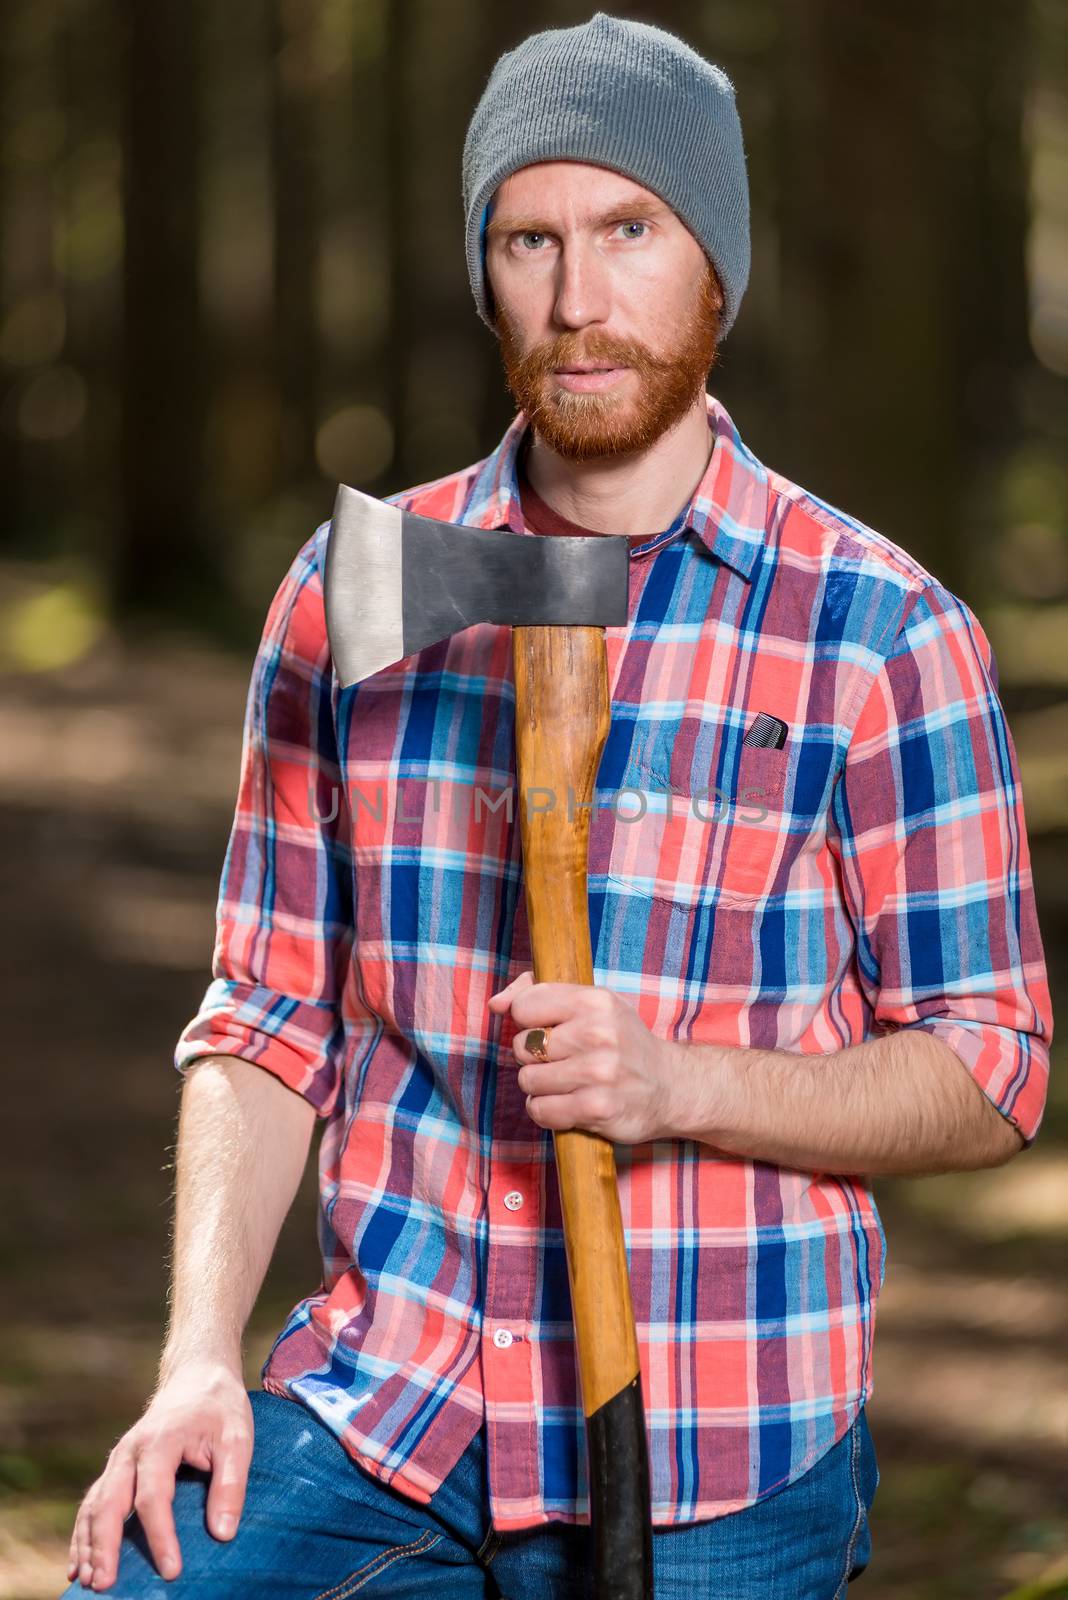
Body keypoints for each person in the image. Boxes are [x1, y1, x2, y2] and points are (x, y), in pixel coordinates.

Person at [64, 12, 1052, 1599]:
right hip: (392, 1400)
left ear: (715, 266)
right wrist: (195, 1361)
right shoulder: (352, 592)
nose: (581, 301)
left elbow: (994, 1067)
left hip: (720, 1437)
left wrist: (675, 1085)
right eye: (531, 237)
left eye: (630, 231)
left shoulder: (881, 630)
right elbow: (265, 1014)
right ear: (485, 269)